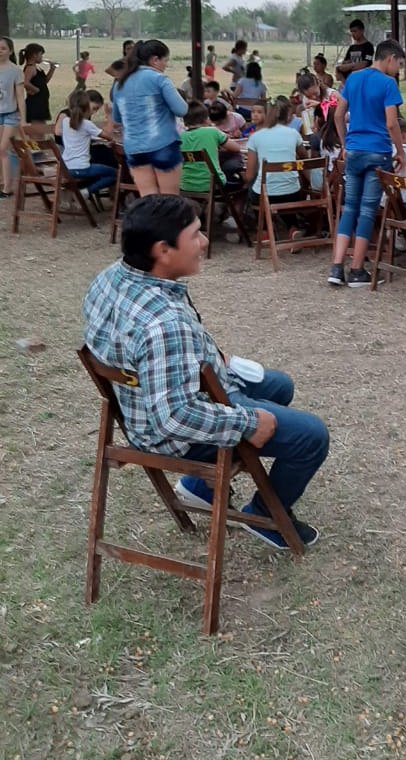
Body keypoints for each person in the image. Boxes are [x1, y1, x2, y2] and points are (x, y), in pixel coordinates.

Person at [83, 195, 328, 548]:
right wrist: (247, 423)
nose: (204, 242)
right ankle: (267, 517)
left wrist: (206, 354)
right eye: (195, 235)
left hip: (143, 404)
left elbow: (141, 353)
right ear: (163, 251)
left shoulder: (110, 277)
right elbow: (173, 417)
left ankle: (200, 487)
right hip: (172, 435)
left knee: (280, 386)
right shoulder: (163, 326)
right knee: (312, 436)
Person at [329, 39, 406, 287]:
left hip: (353, 150)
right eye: (399, 64)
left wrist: (345, 143)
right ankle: (357, 270)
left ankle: (336, 267)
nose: (398, 70)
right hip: (377, 152)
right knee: (367, 210)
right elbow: (392, 123)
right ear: (390, 58)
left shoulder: (353, 78)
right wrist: (401, 151)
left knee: (349, 207)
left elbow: (338, 115)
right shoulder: (388, 83)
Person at [111, 39, 189, 195]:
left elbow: (117, 118)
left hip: (134, 147)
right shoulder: (159, 78)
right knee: (169, 199)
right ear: (155, 60)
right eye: (165, 60)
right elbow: (181, 109)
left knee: (149, 199)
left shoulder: (120, 83)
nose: (166, 65)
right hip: (162, 143)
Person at [245, 99, 307, 234]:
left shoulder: (256, 137)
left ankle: (265, 229)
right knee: (285, 189)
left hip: (265, 194)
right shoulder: (293, 133)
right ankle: (292, 227)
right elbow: (305, 158)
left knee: (252, 187)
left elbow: (249, 175)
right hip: (292, 192)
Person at [61, 89, 117, 200]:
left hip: (66, 167)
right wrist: (109, 115)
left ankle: (84, 192)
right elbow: (109, 136)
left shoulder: (66, 121)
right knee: (115, 173)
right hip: (82, 168)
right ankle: (86, 192)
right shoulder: (87, 124)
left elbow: (79, 134)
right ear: (87, 108)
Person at [180, 101, 240, 192]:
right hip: (213, 185)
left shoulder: (180, 137)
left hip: (186, 185)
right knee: (241, 179)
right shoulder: (212, 131)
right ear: (206, 119)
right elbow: (236, 148)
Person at [0, 36, 25, 197]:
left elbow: (20, 96)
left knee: (3, 149)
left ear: (10, 51)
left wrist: (23, 118)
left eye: (3, 48)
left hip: (11, 114)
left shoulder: (15, 71)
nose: (0, 51)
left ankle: (8, 188)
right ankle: (3, 181)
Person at [19, 43, 57, 130]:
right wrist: (36, 89)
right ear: (34, 55)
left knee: (41, 127)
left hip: (41, 102)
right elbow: (25, 82)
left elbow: (44, 81)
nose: (42, 57)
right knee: (38, 129)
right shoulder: (30, 68)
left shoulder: (36, 68)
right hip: (35, 103)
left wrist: (52, 69)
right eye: (41, 55)